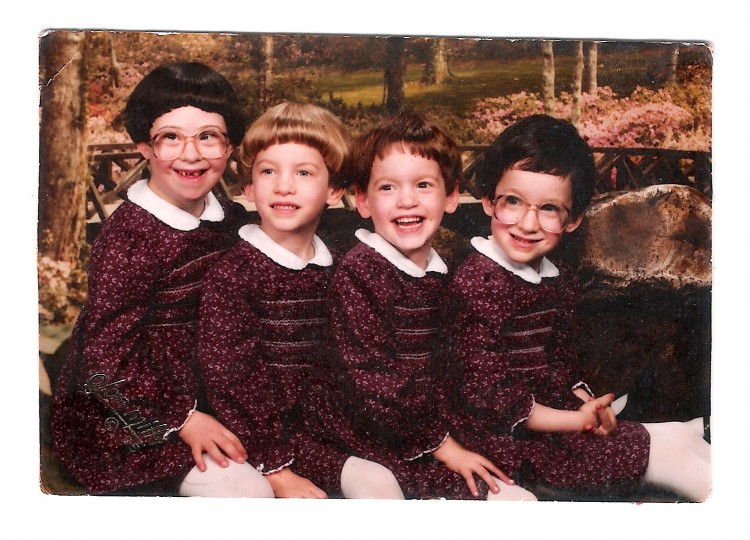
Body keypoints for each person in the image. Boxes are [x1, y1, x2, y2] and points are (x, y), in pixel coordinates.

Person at [444, 114, 711, 501]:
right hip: (503, 439)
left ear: (574, 219)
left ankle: (687, 447)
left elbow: (559, 364)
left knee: (671, 442)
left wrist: (589, 405)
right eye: (513, 202)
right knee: (669, 459)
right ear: (488, 201)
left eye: (549, 208)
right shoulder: (477, 283)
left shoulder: (556, 277)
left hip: (550, 419)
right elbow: (490, 399)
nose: (527, 223)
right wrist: (575, 421)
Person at [52, 62, 274, 497]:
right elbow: (102, 366)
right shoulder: (129, 239)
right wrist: (183, 418)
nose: (190, 155)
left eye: (208, 136)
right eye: (170, 137)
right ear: (144, 148)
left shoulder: (231, 221)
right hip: (134, 412)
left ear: (229, 148)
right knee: (245, 493)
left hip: (220, 395)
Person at [320, 111, 537, 500]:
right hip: (365, 432)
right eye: (387, 188)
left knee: (514, 489)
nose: (407, 201)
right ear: (363, 200)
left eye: (423, 185)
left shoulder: (445, 273)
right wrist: (447, 447)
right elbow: (375, 384)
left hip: (429, 427)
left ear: (451, 196)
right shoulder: (360, 272)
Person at [197, 102, 404, 499]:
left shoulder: (341, 269)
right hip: (251, 440)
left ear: (334, 190)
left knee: (380, 484)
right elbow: (233, 382)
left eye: (303, 173)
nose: (283, 186)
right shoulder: (234, 275)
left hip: (320, 436)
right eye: (268, 171)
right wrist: (278, 473)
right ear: (248, 187)